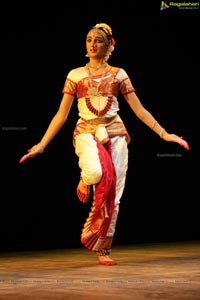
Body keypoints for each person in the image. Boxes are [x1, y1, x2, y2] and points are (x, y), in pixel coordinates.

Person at [19, 23, 189, 266]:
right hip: (86, 132)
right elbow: (61, 114)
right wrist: (42, 144)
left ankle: (103, 248)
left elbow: (139, 109)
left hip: (116, 133)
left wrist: (164, 134)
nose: (92, 44)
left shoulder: (119, 74)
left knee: (114, 196)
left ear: (110, 45)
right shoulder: (75, 75)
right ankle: (86, 178)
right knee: (96, 172)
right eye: (89, 40)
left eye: (98, 40)